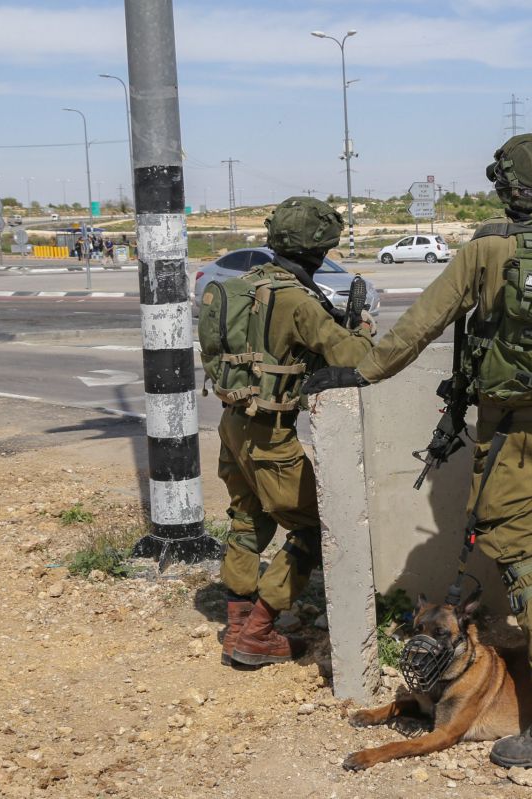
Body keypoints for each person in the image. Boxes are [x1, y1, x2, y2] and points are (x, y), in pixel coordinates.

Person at [305, 134, 532, 768]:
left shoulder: (488, 249)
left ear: (508, 189)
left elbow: (419, 325)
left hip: (511, 439)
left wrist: (358, 372)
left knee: (521, 564)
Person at [199, 196, 375, 668]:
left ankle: (236, 624)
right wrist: (362, 326)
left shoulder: (242, 286)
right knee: (314, 527)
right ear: (318, 250)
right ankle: (259, 630)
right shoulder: (296, 300)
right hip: (270, 436)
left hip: (233, 426)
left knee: (247, 519)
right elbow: (352, 356)